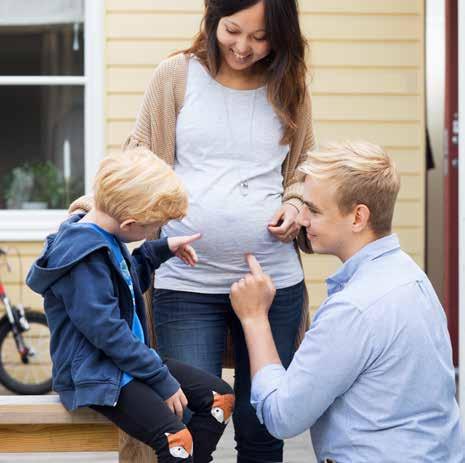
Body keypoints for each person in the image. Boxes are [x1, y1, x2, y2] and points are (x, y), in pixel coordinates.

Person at [70, 1, 314, 461]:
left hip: (271, 284)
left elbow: (303, 167)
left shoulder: (289, 85)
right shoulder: (176, 76)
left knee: (262, 426)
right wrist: (91, 212)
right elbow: (138, 159)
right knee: (182, 417)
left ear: (281, 35)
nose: (243, 47)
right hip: (187, 284)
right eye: (232, 30)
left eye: (259, 38)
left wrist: (296, 204)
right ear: (213, 19)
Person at [230, 141, 465, 462]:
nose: (302, 221)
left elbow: (282, 416)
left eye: (313, 210)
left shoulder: (355, 308)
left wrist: (255, 318)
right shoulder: (413, 278)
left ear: (358, 217)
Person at [26, 148, 234, 463]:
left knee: (221, 398)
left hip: (126, 361)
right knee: (178, 440)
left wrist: (158, 250)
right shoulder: (84, 255)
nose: (155, 231)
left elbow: (123, 286)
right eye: (155, 227)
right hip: (98, 372)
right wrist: (160, 378)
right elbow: (107, 331)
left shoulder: (106, 237)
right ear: (130, 222)